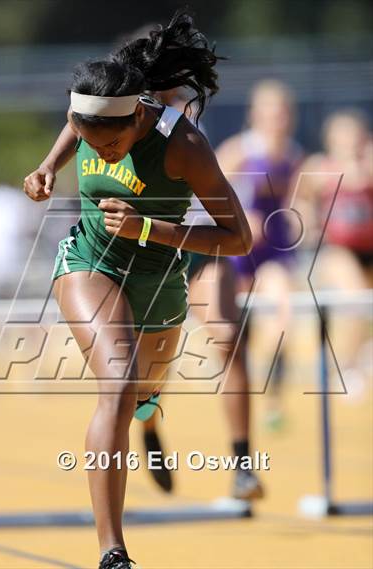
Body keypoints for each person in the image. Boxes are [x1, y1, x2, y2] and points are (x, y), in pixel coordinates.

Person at [23, 11, 252, 569]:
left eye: (114, 144)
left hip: (160, 276)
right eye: (90, 143)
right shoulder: (91, 119)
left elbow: (239, 238)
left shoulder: (184, 146)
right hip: (90, 262)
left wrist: (150, 227)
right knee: (118, 384)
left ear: (138, 116)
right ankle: (114, 552)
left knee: (143, 395)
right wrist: (48, 165)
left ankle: (149, 419)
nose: (102, 154)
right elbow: (77, 123)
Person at [142, 85, 264, 500]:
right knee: (151, 365)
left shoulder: (188, 117)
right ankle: (149, 428)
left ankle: (243, 463)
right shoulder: (126, 121)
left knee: (229, 337)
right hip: (150, 250)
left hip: (197, 247)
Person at [215, 80, 303, 430]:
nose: (275, 119)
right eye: (268, 112)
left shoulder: (294, 155)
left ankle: (273, 399)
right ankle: (241, 396)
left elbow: (298, 200)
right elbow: (207, 190)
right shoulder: (239, 150)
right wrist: (238, 216)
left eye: (281, 112)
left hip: (274, 254)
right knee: (236, 334)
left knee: (283, 319)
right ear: (255, 115)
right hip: (239, 252)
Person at [296, 110, 373, 380]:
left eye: (354, 135)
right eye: (343, 135)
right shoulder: (319, 166)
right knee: (355, 296)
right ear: (330, 139)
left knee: (364, 301)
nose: (350, 141)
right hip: (336, 249)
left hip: (369, 248)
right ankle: (347, 366)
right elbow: (299, 201)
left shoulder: (368, 163)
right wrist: (307, 226)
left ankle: (360, 352)